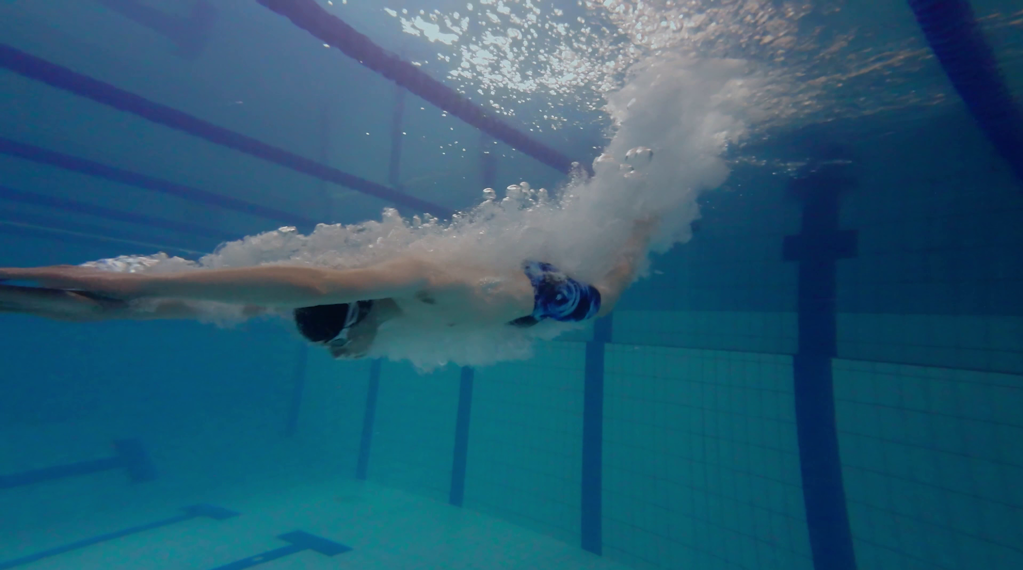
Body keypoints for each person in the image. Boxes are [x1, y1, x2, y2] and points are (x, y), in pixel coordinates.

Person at [0, 218, 657, 360]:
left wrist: (162, 279)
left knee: (137, 303)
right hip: (546, 300)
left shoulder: (431, 286)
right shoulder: (432, 285)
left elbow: (328, 289)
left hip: (531, 299)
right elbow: (323, 286)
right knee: (140, 304)